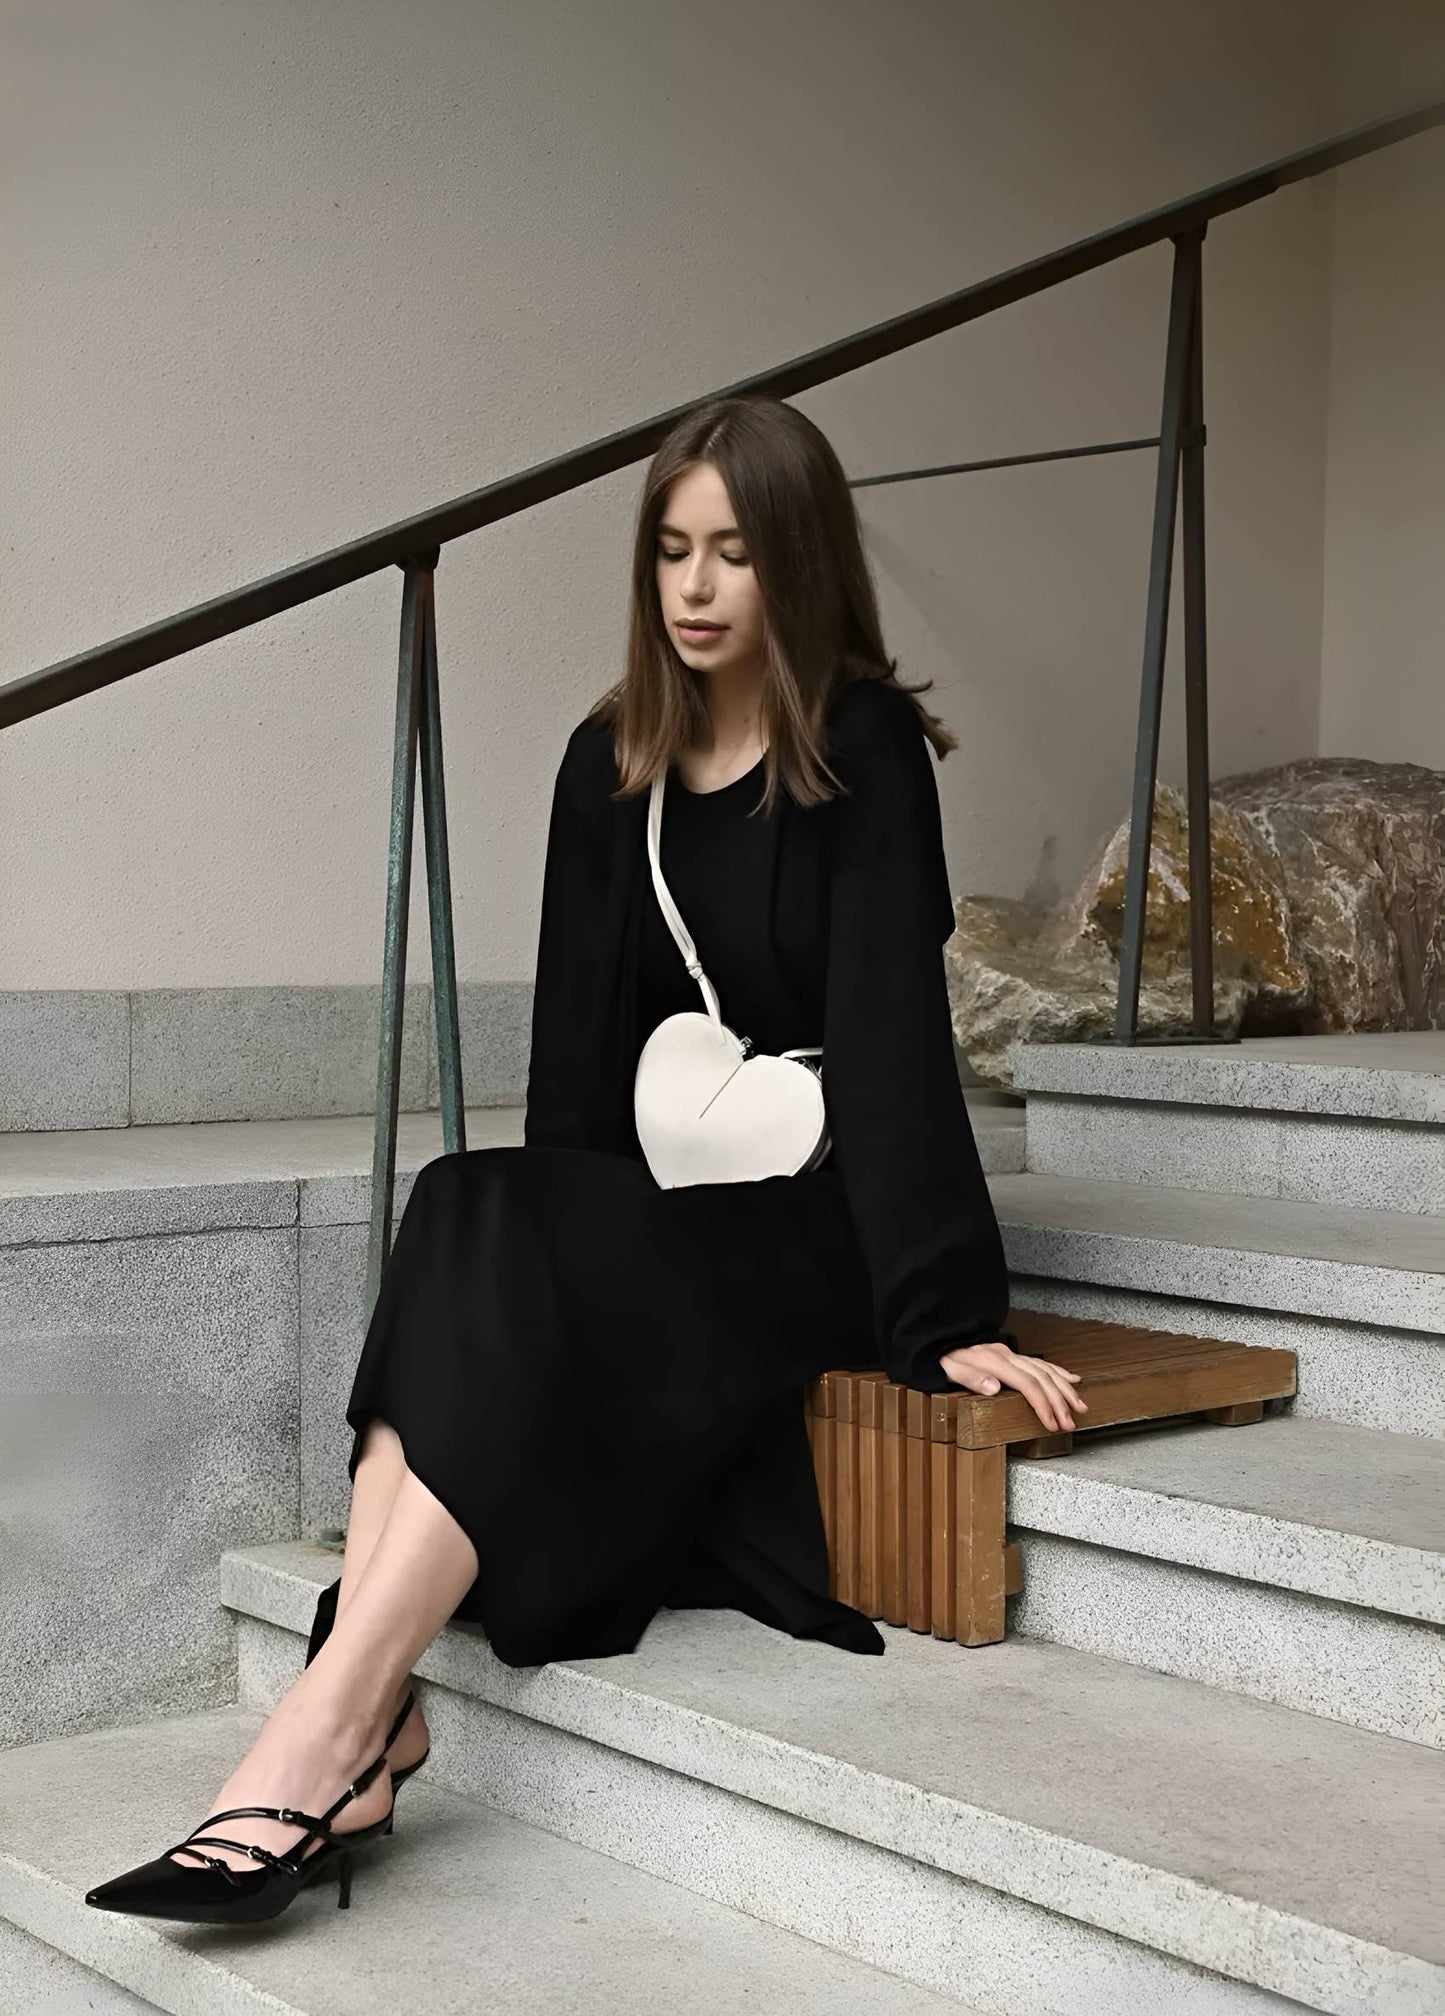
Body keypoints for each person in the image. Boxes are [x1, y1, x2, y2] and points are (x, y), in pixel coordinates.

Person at [85, 395, 1085, 1926]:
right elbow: (574, 1056)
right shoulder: (606, 760)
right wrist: (549, 1275)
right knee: (471, 1198)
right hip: (669, 1195)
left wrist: (946, 1317)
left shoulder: (865, 746)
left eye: (732, 556)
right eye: (672, 551)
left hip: (814, 1216)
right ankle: (354, 1720)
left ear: (794, 567)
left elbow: (889, 1038)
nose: (693, 589)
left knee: (492, 1228)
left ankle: (336, 1720)